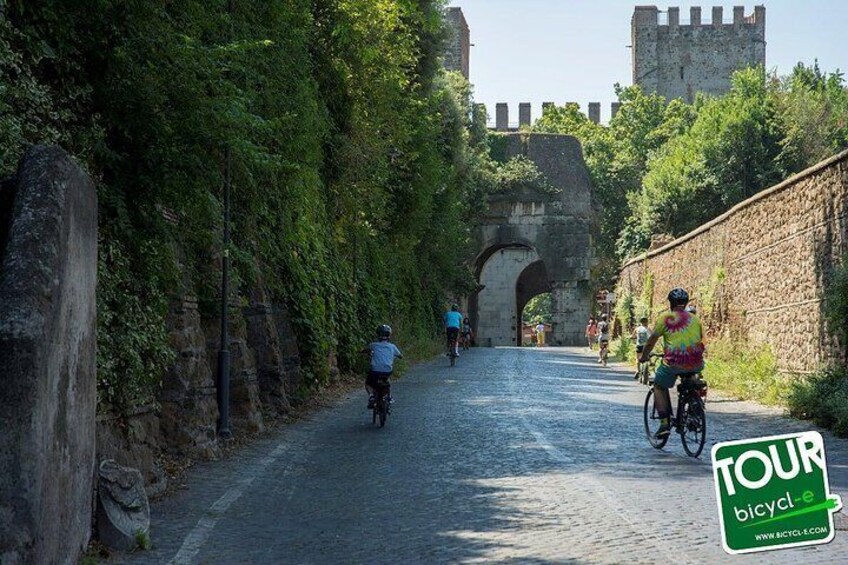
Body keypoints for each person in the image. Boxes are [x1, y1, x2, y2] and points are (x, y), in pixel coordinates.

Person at [638, 288, 705, 438]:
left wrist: (644, 356)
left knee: (659, 386)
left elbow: (651, 341)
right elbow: (699, 339)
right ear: (686, 303)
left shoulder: (665, 318)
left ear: (671, 303)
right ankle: (694, 408)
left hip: (673, 363)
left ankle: (664, 424)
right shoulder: (695, 319)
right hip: (696, 362)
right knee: (692, 379)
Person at [365, 324, 403, 409]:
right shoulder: (392, 346)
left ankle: (371, 396)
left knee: (368, 383)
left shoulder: (373, 345)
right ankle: (389, 396)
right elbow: (400, 355)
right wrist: (396, 356)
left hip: (375, 371)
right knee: (387, 380)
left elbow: (366, 350)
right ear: (389, 335)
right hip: (387, 370)